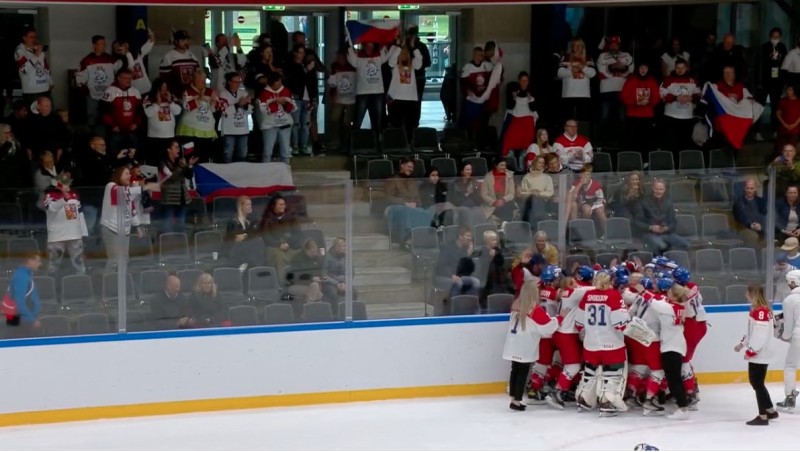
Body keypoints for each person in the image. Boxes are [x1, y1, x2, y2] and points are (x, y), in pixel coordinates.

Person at [574, 271, 630, 415]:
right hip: (612, 344)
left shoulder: (587, 296)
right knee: (612, 374)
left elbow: (579, 322)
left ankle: (584, 398)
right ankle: (607, 402)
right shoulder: (614, 295)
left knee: (590, 373)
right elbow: (620, 323)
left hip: (590, 343)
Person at [503, 277, 560, 411]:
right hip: (524, 344)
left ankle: (513, 399)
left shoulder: (516, 305)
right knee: (522, 372)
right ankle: (517, 401)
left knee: (515, 370)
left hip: (514, 342)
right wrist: (560, 317)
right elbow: (547, 327)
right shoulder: (534, 309)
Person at [735, 285, 778, 425]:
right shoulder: (758, 310)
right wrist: (742, 344)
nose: (746, 296)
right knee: (758, 383)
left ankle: (763, 416)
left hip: (760, 353)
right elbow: (751, 332)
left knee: (757, 383)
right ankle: (770, 410)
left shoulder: (761, 312)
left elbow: (760, 335)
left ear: (753, 294)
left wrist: (751, 351)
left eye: (748, 293)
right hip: (760, 351)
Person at [100, 166, 154, 272]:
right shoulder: (111, 186)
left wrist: (137, 226)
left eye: (130, 174)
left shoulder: (128, 191)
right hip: (111, 229)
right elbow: (120, 192)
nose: (129, 176)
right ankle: (107, 284)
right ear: (118, 175)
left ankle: (121, 283)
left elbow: (132, 209)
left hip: (125, 230)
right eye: (126, 173)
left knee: (124, 260)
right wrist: (141, 188)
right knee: (114, 260)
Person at [43, 173, 88, 277]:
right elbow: (52, 209)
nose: (67, 185)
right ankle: (52, 286)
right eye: (64, 183)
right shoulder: (50, 195)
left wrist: (84, 232)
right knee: (54, 266)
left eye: (68, 183)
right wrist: (64, 198)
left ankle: (80, 283)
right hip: (57, 236)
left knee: (78, 264)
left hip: (75, 235)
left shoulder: (75, 195)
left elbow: (80, 214)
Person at [347, 41, 390, 137]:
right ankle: (353, 143)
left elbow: (385, 54)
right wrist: (350, 42)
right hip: (363, 92)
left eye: (371, 46)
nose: (369, 48)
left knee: (378, 120)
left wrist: (384, 41)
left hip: (377, 92)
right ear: (364, 46)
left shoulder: (378, 56)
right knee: (358, 119)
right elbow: (351, 58)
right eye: (367, 46)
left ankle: (377, 142)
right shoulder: (358, 57)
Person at [634, 179, 688, 253]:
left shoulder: (668, 203)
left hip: (665, 233)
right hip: (649, 233)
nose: (658, 191)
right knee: (661, 246)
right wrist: (651, 227)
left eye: (661, 189)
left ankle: (674, 262)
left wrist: (667, 228)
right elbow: (638, 222)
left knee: (685, 245)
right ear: (652, 188)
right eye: (656, 189)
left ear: (664, 190)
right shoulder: (643, 202)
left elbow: (673, 222)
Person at [177, 69, 219, 163]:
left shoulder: (210, 91)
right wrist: (199, 98)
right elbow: (187, 106)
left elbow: (214, 109)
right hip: (190, 132)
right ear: (194, 80)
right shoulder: (188, 92)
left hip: (207, 132)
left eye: (204, 80)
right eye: (200, 80)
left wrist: (213, 102)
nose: (202, 83)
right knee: (190, 159)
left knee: (204, 159)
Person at [260, 194, 303, 284]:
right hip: (273, 247)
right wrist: (279, 244)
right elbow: (266, 237)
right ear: (273, 206)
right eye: (280, 204)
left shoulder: (291, 217)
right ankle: (282, 283)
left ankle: (300, 282)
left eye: (284, 204)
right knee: (279, 257)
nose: (283, 206)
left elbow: (297, 234)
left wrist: (288, 243)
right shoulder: (266, 219)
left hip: (289, 246)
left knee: (299, 255)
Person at [660, 59, 700, 153]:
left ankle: (683, 165)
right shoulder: (668, 80)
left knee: (685, 144)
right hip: (671, 116)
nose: (680, 70)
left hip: (687, 117)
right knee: (671, 143)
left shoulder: (693, 80)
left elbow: (699, 95)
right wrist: (675, 98)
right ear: (675, 68)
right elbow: (661, 94)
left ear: (686, 68)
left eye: (682, 68)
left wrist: (691, 98)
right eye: (678, 68)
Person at [76, 35, 115, 130]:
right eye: (101, 44)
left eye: (104, 44)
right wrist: (86, 91)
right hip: (92, 96)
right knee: (92, 116)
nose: (103, 46)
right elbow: (79, 78)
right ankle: (92, 139)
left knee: (108, 116)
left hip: (108, 96)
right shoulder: (86, 60)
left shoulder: (110, 59)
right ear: (94, 45)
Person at [158, 140, 197, 233]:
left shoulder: (180, 161)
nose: (178, 150)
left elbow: (189, 175)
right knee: (167, 224)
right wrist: (181, 167)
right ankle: (166, 244)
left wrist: (189, 165)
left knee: (181, 224)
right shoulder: (162, 163)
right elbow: (170, 177)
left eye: (178, 147)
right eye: (175, 147)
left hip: (182, 197)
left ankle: (180, 244)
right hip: (169, 198)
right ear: (168, 149)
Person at [101, 68, 142, 153]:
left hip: (131, 131)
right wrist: (112, 126)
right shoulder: (110, 91)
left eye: (130, 78)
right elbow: (104, 111)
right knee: (115, 153)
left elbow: (139, 111)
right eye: (126, 78)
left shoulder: (135, 92)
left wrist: (136, 124)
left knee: (132, 153)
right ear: (119, 78)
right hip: (116, 131)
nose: (129, 80)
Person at [258, 72, 296, 164]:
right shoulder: (264, 93)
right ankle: (266, 174)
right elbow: (263, 110)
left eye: (280, 81)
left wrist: (287, 103)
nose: (279, 84)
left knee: (285, 152)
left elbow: (294, 108)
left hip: (285, 124)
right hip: (270, 125)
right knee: (267, 152)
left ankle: (285, 173)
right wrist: (275, 101)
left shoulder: (286, 91)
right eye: (277, 82)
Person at [387, 43, 423, 140]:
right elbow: (391, 61)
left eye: (406, 53)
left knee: (410, 125)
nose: (404, 55)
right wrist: (399, 47)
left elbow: (419, 61)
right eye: (402, 53)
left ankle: (409, 143)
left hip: (410, 98)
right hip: (396, 98)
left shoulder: (413, 65)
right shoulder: (395, 65)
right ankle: (397, 143)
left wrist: (413, 47)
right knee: (396, 124)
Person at [620, 62, 660, 151]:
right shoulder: (631, 80)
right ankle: (632, 159)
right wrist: (635, 103)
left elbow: (657, 97)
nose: (643, 70)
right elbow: (624, 96)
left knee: (646, 139)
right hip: (633, 115)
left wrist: (648, 102)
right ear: (638, 68)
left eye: (645, 68)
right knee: (632, 139)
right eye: (641, 67)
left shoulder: (652, 81)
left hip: (647, 115)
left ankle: (646, 160)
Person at [142, 78, 181, 165]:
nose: (164, 91)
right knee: (154, 162)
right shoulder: (149, 97)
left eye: (166, 88)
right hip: (154, 137)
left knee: (168, 162)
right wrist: (157, 103)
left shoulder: (172, 97)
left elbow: (178, 111)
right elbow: (149, 113)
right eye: (162, 88)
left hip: (169, 136)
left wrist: (170, 102)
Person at [759, 28, 788, 140]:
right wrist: (759, 80)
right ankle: (757, 131)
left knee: (775, 107)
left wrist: (783, 81)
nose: (775, 39)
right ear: (770, 36)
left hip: (777, 82)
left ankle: (775, 130)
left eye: (777, 37)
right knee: (760, 106)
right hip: (765, 81)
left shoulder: (782, 47)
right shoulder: (764, 47)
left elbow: (785, 64)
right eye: (773, 36)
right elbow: (760, 63)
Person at [4, 253, 42, 338]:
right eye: (38, 261)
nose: (40, 264)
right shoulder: (21, 276)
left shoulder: (25, 275)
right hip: (21, 320)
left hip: (23, 319)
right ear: (29, 260)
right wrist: (31, 320)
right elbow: (19, 302)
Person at [557, 38, 596, 122]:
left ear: (583, 47)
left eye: (580, 45)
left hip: (584, 95)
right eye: (575, 45)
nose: (577, 47)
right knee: (568, 120)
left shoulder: (588, 58)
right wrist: (571, 71)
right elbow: (559, 73)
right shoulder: (566, 57)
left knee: (582, 121)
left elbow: (593, 74)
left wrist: (583, 68)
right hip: (568, 94)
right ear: (572, 47)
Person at [778, 270, 800, 412]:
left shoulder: (790, 300)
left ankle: (790, 398)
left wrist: (784, 337)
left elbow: (788, 326)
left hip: (798, 335)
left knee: (790, 366)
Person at [597, 36, 633, 122]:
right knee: (604, 117)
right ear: (608, 46)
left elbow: (631, 69)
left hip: (622, 89)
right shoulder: (602, 55)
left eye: (615, 45)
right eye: (611, 45)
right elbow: (600, 69)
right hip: (606, 90)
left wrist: (622, 72)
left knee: (622, 118)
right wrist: (613, 70)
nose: (613, 47)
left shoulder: (626, 55)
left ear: (619, 45)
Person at [326, 51, 356, 153]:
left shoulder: (353, 66)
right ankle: (336, 142)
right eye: (339, 58)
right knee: (334, 120)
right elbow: (332, 82)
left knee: (347, 123)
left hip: (351, 100)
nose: (340, 60)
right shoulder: (335, 67)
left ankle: (346, 143)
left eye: (342, 58)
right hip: (338, 99)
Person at [218, 72, 252, 163]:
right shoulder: (223, 94)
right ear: (229, 82)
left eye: (239, 82)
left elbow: (250, 110)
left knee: (242, 155)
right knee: (228, 155)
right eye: (235, 81)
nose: (238, 84)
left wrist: (245, 105)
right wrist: (238, 104)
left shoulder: (243, 93)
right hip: (229, 130)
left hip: (243, 129)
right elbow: (225, 112)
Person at [15, 27, 52, 105]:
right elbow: (23, 69)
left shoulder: (39, 50)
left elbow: (45, 68)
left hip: (45, 89)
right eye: (31, 37)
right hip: (32, 92)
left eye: (35, 37)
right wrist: (35, 55)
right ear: (24, 38)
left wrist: (50, 81)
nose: (34, 39)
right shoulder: (20, 51)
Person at [111, 29, 155, 94]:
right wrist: (127, 53)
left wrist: (150, 32)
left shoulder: (138, 54)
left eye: (120, 46)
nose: (119, 48)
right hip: (133, 94)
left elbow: (151, 41)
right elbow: (131, 68)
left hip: (147, 90)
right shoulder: (117, 64)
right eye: (116, 47)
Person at [159, 30, 200, 97]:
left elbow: (197, 75)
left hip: (192, 95)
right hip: (175, 96)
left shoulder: (192, 56)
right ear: (176, 41)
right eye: (183, 40)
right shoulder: (168, 57)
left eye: (187, 40)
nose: (186, 42)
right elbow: (163, 78)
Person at [519, 156, 554, 225]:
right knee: (532, 199)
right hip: (528, 201)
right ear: (534, 163)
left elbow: (550, 193)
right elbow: (522, 193)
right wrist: (532, 193)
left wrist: (538, 194)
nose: (542, 164)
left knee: (535, 200)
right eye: (540, 162)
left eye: (543, 163)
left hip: (543, 201)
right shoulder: (527, 177)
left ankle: (533, 224)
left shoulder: (547, 178)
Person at [322, 237, 357, 306]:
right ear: (337, 247)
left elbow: (351, 272)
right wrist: (337, 284)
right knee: (333, 292)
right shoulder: (327, 257)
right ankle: (336, 312)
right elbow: (324, 274)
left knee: (354, 291)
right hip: (331, 283)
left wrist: (345, 283)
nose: (346, 248)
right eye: (344, 246)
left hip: (344, 282)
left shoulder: (347, 257)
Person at [733, 178, 767, 247]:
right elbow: (739, 219)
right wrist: (750, 225)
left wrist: (760, 225)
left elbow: (764, 216)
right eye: (747, 188)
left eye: (751, 188)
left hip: (760, 227)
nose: (749, 191)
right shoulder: (738, 203)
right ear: (744, 188)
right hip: (745, 228)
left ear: (755, 189)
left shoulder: (761, 202)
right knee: (753, 236)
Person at [481, 157, 516, 223]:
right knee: (506, 209)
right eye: (501, 165)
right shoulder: (488, 177)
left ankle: (505, 224)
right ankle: (505, 224)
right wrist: (494, 202)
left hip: (505, 202)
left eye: (505, 165)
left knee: (509, 205)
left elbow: (512, 193)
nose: (504, 167)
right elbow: (484, 194)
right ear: (496, 165)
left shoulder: (509, 176)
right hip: (492, 204)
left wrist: (503, 200)